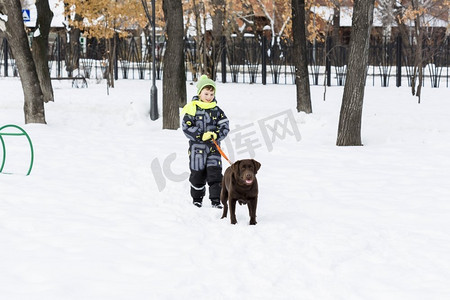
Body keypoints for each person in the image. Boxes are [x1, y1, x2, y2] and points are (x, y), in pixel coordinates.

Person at [181, 75, 230, 208]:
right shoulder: (192, 109)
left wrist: (216, 134)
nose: (209, 97)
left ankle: (216, 200)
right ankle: (197, 199)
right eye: (206, 93)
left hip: (213, 150)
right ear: (199, 93)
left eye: (211, 94)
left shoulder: (217, 110)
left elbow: (225, 126)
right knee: (197, 175)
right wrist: (200, 135)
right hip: (197, 151)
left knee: (215, 175)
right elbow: (186, 127)